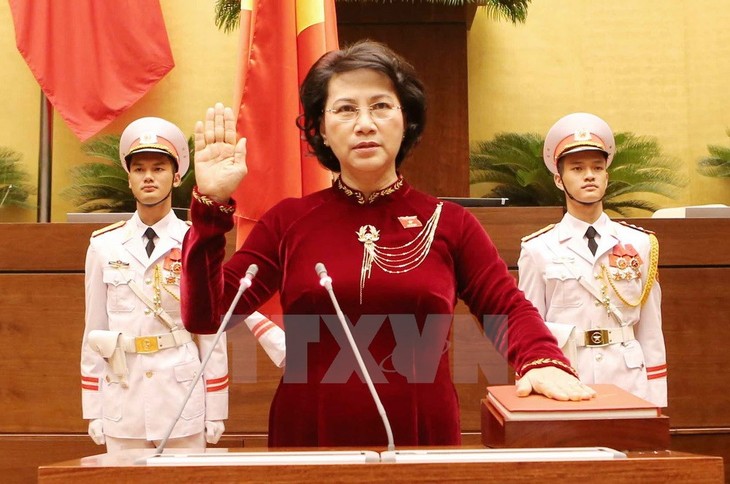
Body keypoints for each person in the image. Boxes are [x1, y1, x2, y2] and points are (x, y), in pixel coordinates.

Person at [180, 40, 594, 448]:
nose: (365, 123)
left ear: (406, 119)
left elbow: (506, 306)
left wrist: (541, 361)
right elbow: (207, 316)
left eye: (380, 106)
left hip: (421, 434)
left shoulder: (449, 223)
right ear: (322, 128)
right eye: (345, 109)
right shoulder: (288, 222)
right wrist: (210, 210)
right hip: (308, 436)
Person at [79, 117, 232, 451]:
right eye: (139, 169)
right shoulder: (104, 246)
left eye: (159, 168)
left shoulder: (195, 239)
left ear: (176, 176)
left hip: (181, 395)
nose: (148, 176)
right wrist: (93, 409)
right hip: (123, 395)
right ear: (129, 178)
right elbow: (95, 329)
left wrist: (216, 406)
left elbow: (210, 331)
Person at [518, 112, 667, 407]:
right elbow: (528, 328)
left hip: (628, 376)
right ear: (559, 180)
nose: (589, 175)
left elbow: (650, 327)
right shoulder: (539, 248)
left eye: (597, 168)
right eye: (577, 168)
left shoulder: (639, 243)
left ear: (607, 176)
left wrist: (656, 397)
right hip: (568, 375)